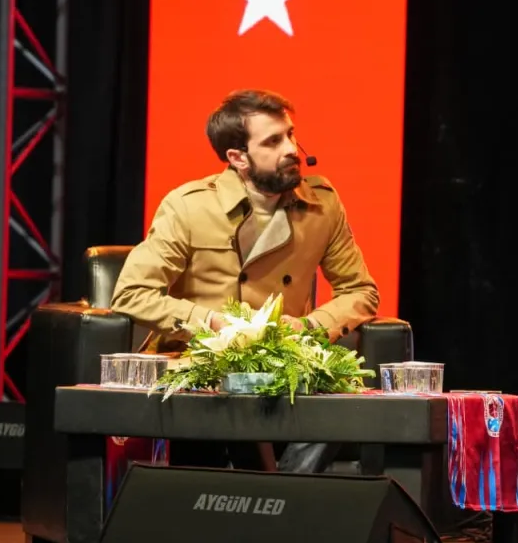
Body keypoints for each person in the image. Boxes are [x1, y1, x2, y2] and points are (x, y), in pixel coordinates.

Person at [110, 89, 378, 473]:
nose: (291, 149)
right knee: (235, 396)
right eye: (273, 141)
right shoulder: (189, 206)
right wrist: (213, 324)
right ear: (238, 158)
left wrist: (310, 327)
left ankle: (286, 492)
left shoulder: (322, 204)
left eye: (290, 134)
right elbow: (131, 294)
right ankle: (274, 496)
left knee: (345, 396)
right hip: (203, 360)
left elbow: (360, 290)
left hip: (286, 357)